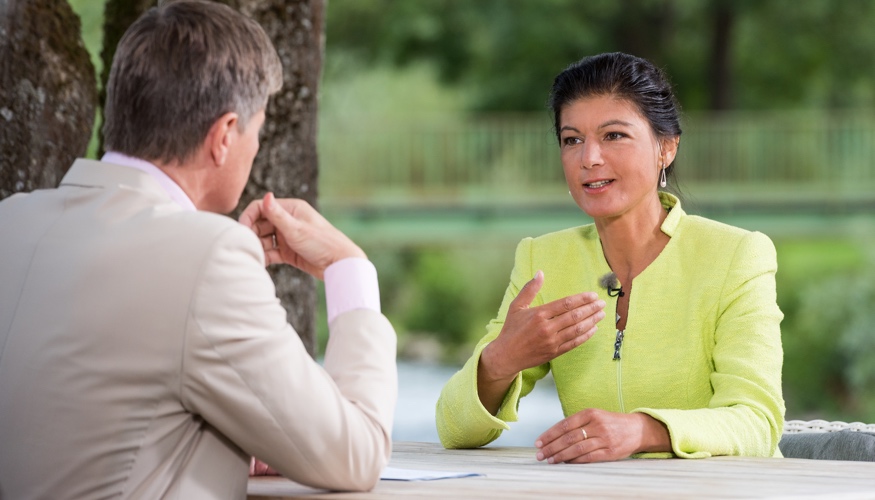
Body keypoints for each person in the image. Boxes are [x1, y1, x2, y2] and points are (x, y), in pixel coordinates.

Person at [0, 1, 396, 498]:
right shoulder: (209, 255)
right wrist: (348, 268)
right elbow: (354, 455)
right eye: (258, 129)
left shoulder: (11, 220)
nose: (255, 146)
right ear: (225, 136)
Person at [436, 52, 784, 463]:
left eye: (613, 135)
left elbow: (757, 421)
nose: (590, 158)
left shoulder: (737, 255)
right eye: (572, 140)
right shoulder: (542, 259)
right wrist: (500, 360)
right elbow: (453, 430)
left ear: (666, 148)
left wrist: (641, 430)